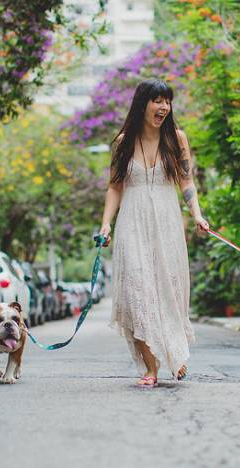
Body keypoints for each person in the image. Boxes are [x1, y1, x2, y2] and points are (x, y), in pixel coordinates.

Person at [98, 78, 209, 388]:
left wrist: (197, 215)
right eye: (157, 100)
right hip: (132, 224)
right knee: (137, 293)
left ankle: (175, 353)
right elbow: (115, 187)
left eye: (167, 101)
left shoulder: (177, 139)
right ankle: (151, 366)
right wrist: (106, 224)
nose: (164, 107)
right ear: (142, 104)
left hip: (167, 224)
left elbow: (186, 183)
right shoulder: (123, 142)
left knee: (167, 291)